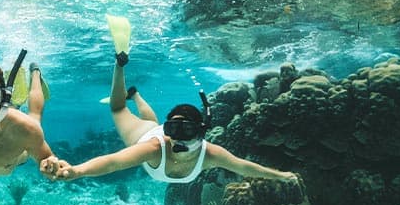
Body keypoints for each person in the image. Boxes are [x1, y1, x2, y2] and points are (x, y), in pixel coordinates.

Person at [44, 16, 297, 183]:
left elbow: (244, 167)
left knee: (150, 119)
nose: (176, 136)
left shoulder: (211, 154)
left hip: (152, 127)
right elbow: (113, 162)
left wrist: (282, 176)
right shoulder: (156, 147)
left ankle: (136, 94)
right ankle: (120, 64)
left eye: (185, 129)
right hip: (144, 133)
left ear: (201, 132)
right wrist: (77, 171)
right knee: (117, 107)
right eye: (173, 128)